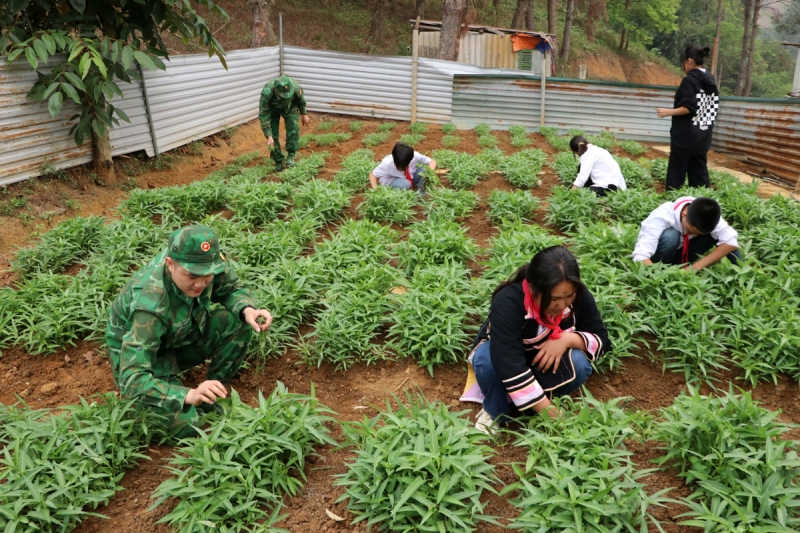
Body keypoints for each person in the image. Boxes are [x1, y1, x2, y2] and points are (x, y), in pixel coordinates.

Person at [106, 225, 273, 439]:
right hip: (145, 358)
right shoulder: (148, 306)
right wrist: (188, 395)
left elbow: (231, 289)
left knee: (238, 320)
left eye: (208, 275)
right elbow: (132, 378)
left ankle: (214, 393)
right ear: (170, 264)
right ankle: (175, 395)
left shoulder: (202, 265)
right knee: (188, 425)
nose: (201, 283)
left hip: (179, 335)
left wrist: (248, 309)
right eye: (193, 276)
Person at [460, 246, 610, 435]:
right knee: (486, 359)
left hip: (542, 364)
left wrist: (567, 339)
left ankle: (533, 405)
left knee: (580, 364)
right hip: (504, 365)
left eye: (568, 296)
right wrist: (552, 414)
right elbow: (509, 363)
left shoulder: (579, 296)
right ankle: (496, 411)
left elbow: (603, 341)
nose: (562, 305)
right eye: (554, 298)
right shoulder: (508, 302)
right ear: (533, 288)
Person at [656, 45, 719, 190]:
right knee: (699, 179)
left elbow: (690, 107)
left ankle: (674, 206)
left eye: (683, 62)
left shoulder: (689, 80)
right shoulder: (709, 79)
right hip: (702, 137)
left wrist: (667, 112)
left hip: (684, 138)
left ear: (689, 61)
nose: (683, 66)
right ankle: (701, 206)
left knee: (675, 179)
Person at [632, 196, 741, 271]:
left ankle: (742, 272)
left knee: (725, 238)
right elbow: (640, 256)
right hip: (660, 257)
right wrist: (660, 276)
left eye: (698, 234)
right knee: (671, 236)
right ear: (684, 214)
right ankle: (662, 268)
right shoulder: (662, 216)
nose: (694, 236)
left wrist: (693, 269)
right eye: (691, 231)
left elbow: (731, 241)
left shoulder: (707, 214)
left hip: (685, 257)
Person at [259, 75, 310, 172]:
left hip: (290, 107)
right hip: (273, 109)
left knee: (293, 129)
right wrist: (268, 134)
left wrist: (304, 114)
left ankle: (291, 156)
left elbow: (301, 100)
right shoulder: (267, 92)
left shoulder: (295, 86)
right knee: (273, 136)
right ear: (275, 89)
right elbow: (264, 114)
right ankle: (278, 160)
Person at [368, 142, 436, 195]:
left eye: (403, 166)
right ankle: (394, 197)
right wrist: (376, 190)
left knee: (425, 170)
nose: (400, 168)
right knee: (405, 184)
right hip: (392, 182)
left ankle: (420, 194)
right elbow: (372, 175)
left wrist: (429, 173)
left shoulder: (414, 155)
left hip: (409, 178)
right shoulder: (387, 163)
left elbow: (432, 162)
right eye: (398, 166)